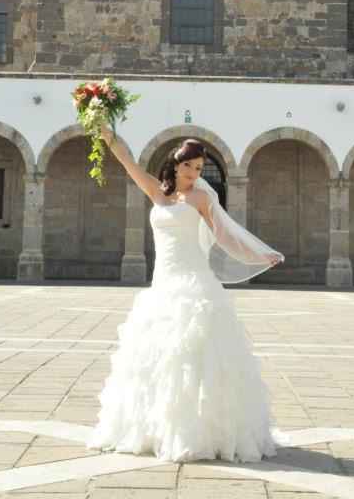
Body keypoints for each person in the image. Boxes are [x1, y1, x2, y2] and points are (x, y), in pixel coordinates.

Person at [86, 126, 285, 463]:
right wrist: (106, 132)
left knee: (197, 360)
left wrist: (259, 255)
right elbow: (127, 161)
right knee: (158, 359)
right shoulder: (157, 192)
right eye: (189, 166)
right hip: (163, 285)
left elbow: (225, 237)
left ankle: (201, 432)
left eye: (199, 169)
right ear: (175, 165)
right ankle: (156, 429)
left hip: (195, 283)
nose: (194, 174)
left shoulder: (203, 198)